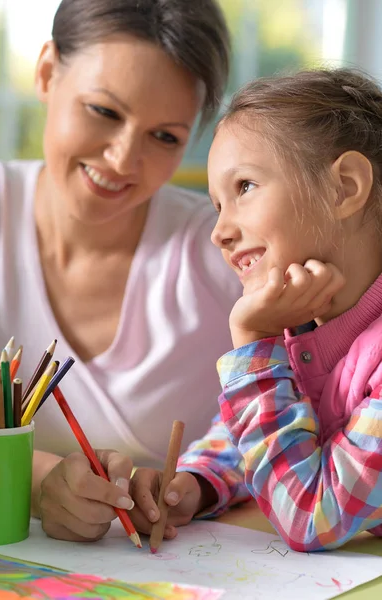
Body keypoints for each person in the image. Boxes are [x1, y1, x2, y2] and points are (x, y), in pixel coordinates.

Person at [0, 0, 242, 542]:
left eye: (165, 137)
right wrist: (39, 483)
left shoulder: (222, 248)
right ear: (47, 72)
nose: (124, 160)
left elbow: (314, 422)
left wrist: (200, 484)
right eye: (104, 111)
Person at [130, 68, 382, 551]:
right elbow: (264, 436)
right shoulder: (303, 323)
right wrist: (195, 483)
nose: (219, 232)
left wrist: (252, 344)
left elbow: (312, 513)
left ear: (345, 187)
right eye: (217, 205)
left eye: (244, 187)